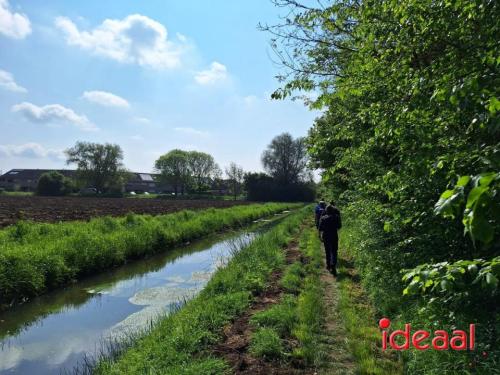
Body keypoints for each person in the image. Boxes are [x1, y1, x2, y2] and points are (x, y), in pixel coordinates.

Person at [318, 204, 342, 276]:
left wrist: (319, 236)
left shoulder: (323, 218)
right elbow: (339, 226)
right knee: (334, 251)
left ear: (326, 211)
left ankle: (328, 265)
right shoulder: (336, 217)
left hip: (326, 236)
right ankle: (333, 265)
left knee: (327, 251)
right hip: (334, 235)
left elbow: (320, 229)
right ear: (333, 210)